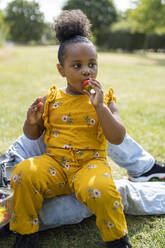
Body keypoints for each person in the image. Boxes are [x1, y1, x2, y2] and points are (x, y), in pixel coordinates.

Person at [9, 10, 132, 248]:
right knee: (24, 172)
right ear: (61, 70)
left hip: (90, 165)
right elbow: (32, 135)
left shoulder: (105, 99)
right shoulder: (52, 98)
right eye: (77, 65)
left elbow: (117, 137)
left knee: (102, 188)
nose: (87, 71)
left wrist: (100, 109)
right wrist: (32, 121)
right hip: (55, 164)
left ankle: (118, 240)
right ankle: (26, 235)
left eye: (92, 65)